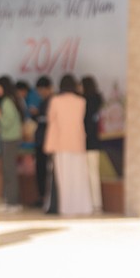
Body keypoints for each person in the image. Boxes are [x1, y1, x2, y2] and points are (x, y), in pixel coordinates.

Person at [44, 74, 92, 215]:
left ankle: (67, 208)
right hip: (77, 142)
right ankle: (83, 207)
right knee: (79, 177)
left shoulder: (55, 101)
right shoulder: (81, 101)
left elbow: (51, 121)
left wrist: (49, 144)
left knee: (63, 178)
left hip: (61, 143)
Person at [0, 75, 23, 212]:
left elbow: (7, 122)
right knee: (8, 170)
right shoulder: (11, 100)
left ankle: (12, 202)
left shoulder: (6, 102)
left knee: (9, 171)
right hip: (10, 138)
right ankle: (9, 201)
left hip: (9, 139)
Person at [81, 75, 104, 213]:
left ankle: (93, 203)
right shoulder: (98, 100)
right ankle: (97, 203)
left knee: (89, 173)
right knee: (94, 173)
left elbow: (86, 124)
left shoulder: (86, 102)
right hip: (97, 142)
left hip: (88, 142)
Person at [33, 76, 53, 208]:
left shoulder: (53, 101)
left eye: (42, 90)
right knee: (40, 170)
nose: (41, 93)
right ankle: (41, 197)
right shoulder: (42, 102)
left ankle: (48, 198)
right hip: (40, 141)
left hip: (49, 141)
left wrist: (38, 116)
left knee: (47, 171)